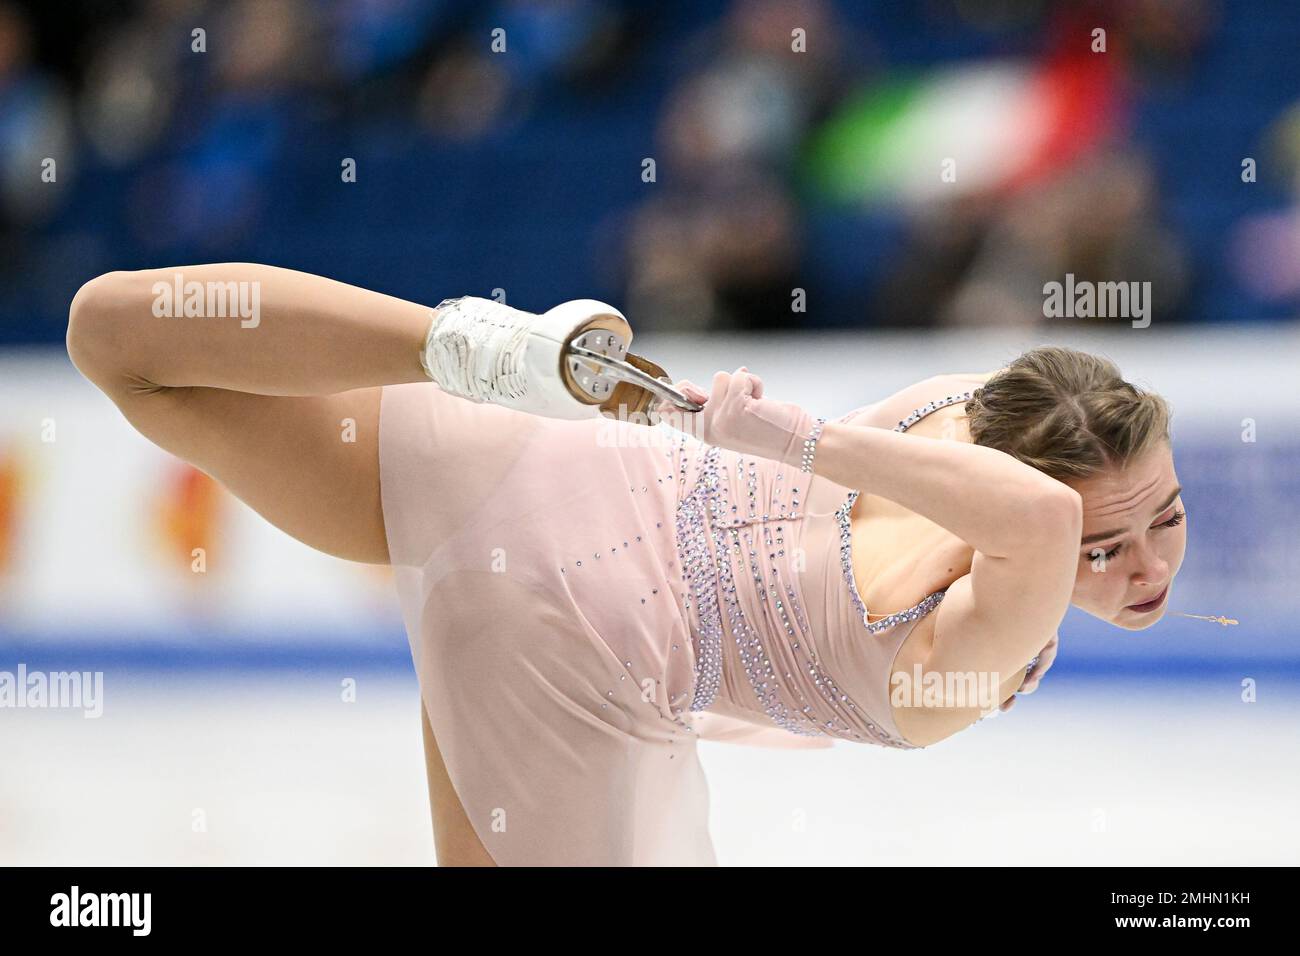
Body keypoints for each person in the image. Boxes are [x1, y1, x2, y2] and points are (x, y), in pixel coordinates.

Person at [65, 264, 1186, 866]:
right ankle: (466, 347)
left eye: (1166, 520)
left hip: (542, 463)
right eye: (1115, 537)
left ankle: (460, 344)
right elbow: (1040, 510)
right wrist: (794, 443)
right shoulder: (1005, 540)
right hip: (562, 649)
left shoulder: (986, 436)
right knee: (112, 330)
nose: (1145, 566)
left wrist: (792, 437)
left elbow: (1040, 501)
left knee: (114, 335)